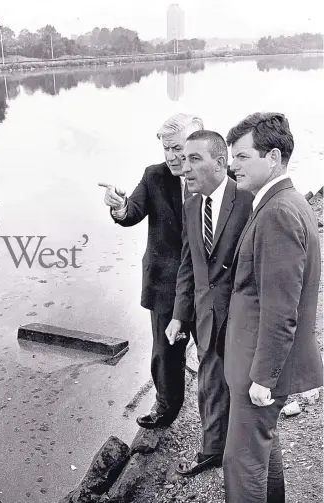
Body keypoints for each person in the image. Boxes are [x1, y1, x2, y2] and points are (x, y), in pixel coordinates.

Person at [223, 112, 323, 503]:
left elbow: (281, 309)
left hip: (258, 369)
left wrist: (263, 378)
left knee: (242, 463)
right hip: (256, 365)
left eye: (242, 157)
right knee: (262, 449)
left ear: (274, 157)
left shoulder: (278, 212)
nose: (232, 166)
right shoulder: (282, 202)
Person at [98, 113, 203, 429]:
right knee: (165, 351)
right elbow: (131, 213)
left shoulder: (219, 176)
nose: (170, 157)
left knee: (215, 351)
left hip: (209, 285)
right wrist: (118, 205)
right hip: (164, 285)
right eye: (166, 149)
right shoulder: (154, 176)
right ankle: (165, 408)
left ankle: (219, 416)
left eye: (177, 148)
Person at [166, 130, 253, 475]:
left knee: (243, 386)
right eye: (183, 159)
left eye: (193, 159)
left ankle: (242, 454)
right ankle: (212, 450)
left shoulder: (247, 199)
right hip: (205, 315)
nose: (183, 167)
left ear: (220, 164)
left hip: (242, 317)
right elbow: (189, 264)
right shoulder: (191, 205)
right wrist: (178, 316)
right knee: (209, 382)